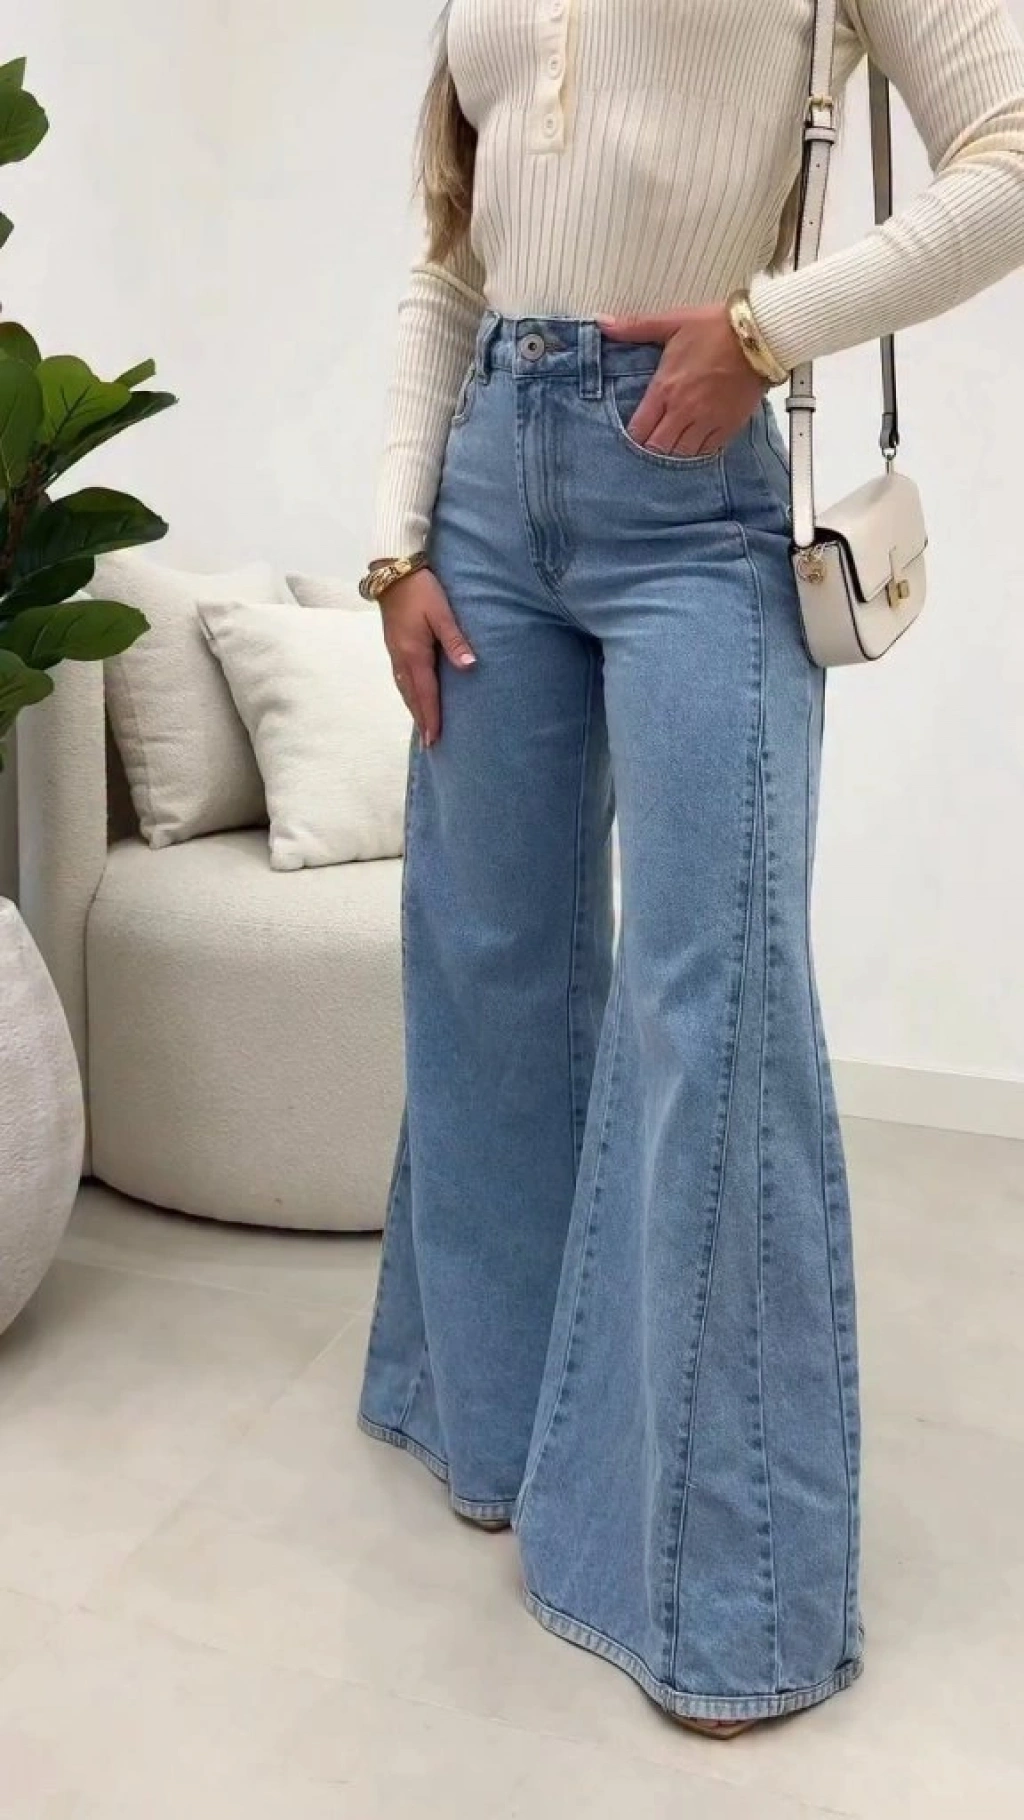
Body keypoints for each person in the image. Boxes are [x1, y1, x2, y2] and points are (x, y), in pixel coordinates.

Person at [358, 0, 1024, 1736]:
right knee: (487, 963)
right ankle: (500, 1437)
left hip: (698, 498)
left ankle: (731, 1601)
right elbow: (451, 256)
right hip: (484, 493)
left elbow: (1014, 151)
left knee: (710, 1006)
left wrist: (761, 328)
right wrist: (394, 542)